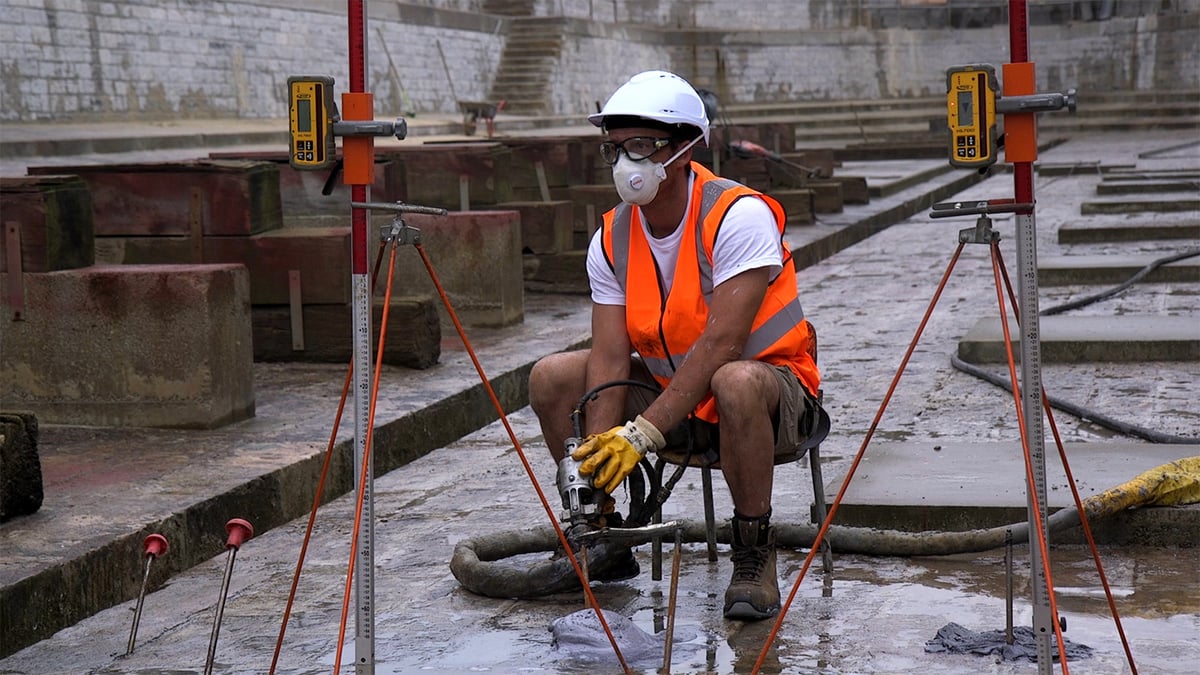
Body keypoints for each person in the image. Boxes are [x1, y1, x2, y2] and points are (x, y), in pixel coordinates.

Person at [528, 70, 827, 621]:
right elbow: (611, 359)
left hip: (772, 399)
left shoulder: (736, 215)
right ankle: (602, 535)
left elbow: (723, 343)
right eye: (616, 148)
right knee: (552, 376)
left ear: (686, 149)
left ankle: (754, 549)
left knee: (732, 379)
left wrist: (641, 434)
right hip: (679, 400)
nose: (627, 163)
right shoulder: (613, 235)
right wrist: (602, 453)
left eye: (642, 146)